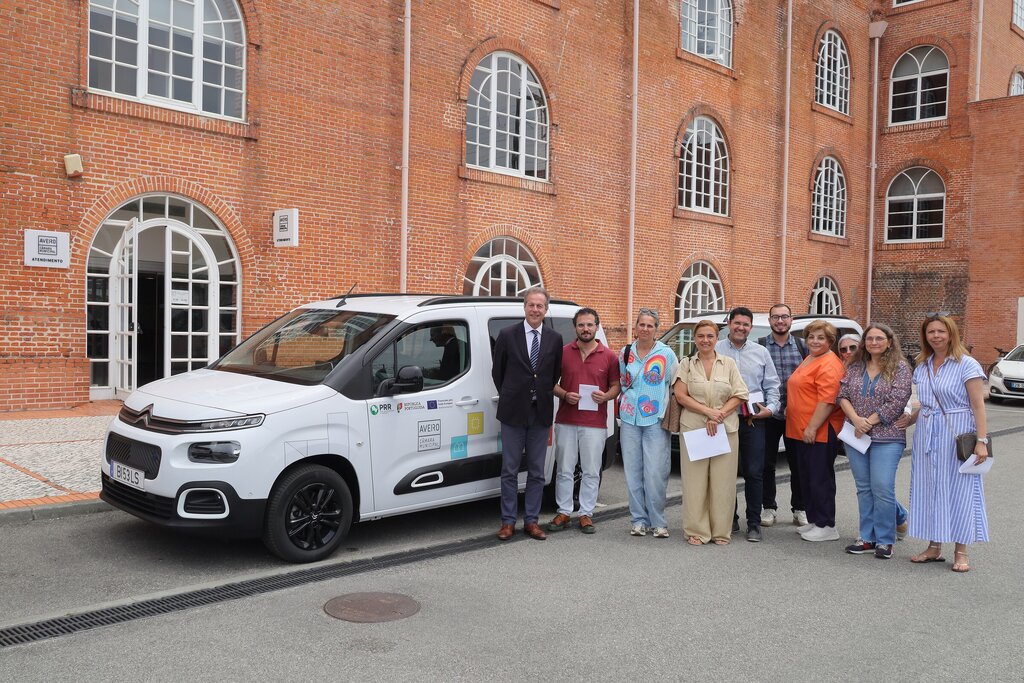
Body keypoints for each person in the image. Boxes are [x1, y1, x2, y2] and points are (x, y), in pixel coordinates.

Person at [897, 315, 989, 573]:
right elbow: (926, 402)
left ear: (951, 334)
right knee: (930, 489)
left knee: (959, 491)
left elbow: (978, 404)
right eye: (930, 332)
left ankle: (961, 551)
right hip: (927, 432)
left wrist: (981, 441)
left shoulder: (966, 364)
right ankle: (934, 546)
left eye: (941, 331)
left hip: (957, 433)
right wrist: (911, 419)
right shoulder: (922, 364)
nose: (935, 336)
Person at [492, 286, 563, 541]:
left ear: (546, 309)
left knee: (537, 471)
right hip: (512, 413)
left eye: (540, 306)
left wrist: (536, 394)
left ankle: (531, 521)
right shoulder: (507, 335)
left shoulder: (555, 339)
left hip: (540, 413)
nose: (535, 310)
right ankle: (508, 522)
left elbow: (553, 374)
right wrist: (514, 395)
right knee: (509, 470)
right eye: (531, 305)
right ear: (524, 306)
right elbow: (497, 373)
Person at [837, 324, 913, 559]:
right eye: (869, 338)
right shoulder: (855, 366)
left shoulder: (900, 368)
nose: (874, 342)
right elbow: (842, 395)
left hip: (887, 436)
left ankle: (884, 539)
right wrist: (855, 420)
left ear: (889, 342)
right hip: (856, 435)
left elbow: (897, 400)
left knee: (881, 486)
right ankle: (866, 537)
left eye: (879, 338)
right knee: (864, 488)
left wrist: (867, 422)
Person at [674, 319, 749, 545]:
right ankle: (696, 530)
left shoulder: (728, 364)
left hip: (724, 430)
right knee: (695, 482)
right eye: (701, 336)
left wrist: (719, 415)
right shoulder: (686, 364)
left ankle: (720, 531)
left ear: (717, 339)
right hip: (695, 429)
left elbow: (740, 393)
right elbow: (681, 395)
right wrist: (708, 412)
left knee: (723, 482)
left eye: (710, 336)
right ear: (695, 339)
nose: (705, 340)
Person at [547, 308, 620, 534]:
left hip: (595, 423)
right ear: (575, 328)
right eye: (581, 325)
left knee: (591, 470)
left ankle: (586, 513)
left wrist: (606, 397)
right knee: (564, 469)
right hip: (566, 419)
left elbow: (616, 386)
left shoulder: (609, 356)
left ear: (597, 327)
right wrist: (564, 394)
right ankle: (564, 511)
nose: (585, 329)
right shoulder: (563, 352)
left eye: (589, 325)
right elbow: (550, 383)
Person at [715, 307, 780, 543]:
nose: (741, 328)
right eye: (737, 323)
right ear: (729, 324)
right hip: (724, 418)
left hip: (753, 420)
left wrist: (771, 408)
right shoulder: (716, 348)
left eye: (746, 324)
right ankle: (728, 518)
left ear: (750, 327)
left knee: (754, 472)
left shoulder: (761, 352)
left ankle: (753, 523)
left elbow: (772, 385)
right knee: (726, 471)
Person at [618, 308, 678, 538]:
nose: (645, 329)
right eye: (641, 325)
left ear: (656, 329)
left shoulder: (667, 354)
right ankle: (638, 520)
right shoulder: (625, 353)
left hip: (655, 419)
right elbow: (623, 382)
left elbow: (675, 384)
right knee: (633, 471)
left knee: (655, 472)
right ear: (635, 327)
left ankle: (658, 521)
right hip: (629, 417)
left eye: (649, 325)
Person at [787, 320, 845, 542]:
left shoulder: (829, 363)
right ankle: (814, 520)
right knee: (807, 477)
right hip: (800, 429)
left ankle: (826, 524)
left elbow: (828, 401)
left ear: (830, 341)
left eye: (821, 338)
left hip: (818, 431)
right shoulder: (811, 358)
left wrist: (812, 427)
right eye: (811, 336)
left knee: (819, 478)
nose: (815, 341)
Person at [758, 303, 809, 528]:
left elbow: (810, 381)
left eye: (784, 317)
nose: (780, 321)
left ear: (791, 320)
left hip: (795, 414)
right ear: (769, 320)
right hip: (768, 414)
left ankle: (800, 508)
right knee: (766, 464)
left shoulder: (803, 346)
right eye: (776, 317)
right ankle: (768, 507)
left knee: (797, 463)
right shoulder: (759, 346)